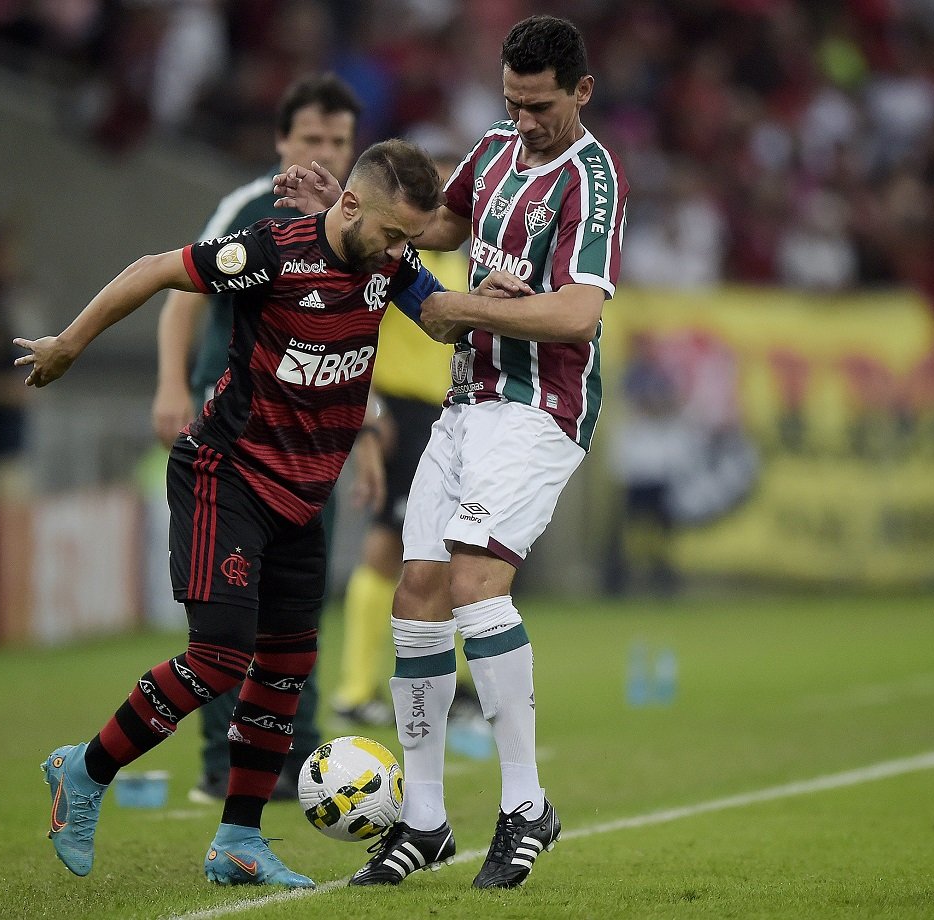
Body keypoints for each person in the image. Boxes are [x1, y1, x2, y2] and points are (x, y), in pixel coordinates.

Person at [17, 139, 528, 887]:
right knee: (220, 658)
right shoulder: (271, 253)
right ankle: (84, 771)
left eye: (407, 242)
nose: (396, 252)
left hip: (303, 498)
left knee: (286, 669)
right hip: (227, 477)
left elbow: (443, 320)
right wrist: (70, 343)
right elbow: (157, 271)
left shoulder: (388, 263)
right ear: (350, 205)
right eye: (391, 235)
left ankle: (238, 840)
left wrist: (499, 297)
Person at [275, 15, 629, 889]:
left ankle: (525, 806)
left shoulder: (592, 180)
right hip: (467, 402)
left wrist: (469, 308)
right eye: (512, 101)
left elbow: (580, 313)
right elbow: (437, 226)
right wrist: (351, 214)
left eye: (539, 105)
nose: (524, 119)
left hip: (539, 406)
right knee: (418, 591)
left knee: (476, 583)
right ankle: (426, 821)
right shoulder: (497, 147)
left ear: (581, 92)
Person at [152, 73, 361, 804]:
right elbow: (181, 290)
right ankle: (220, 761)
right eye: (312, 138)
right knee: (227, 618)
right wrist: (170, 384)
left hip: (311, 452)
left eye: (338, 140)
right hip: (236, 441)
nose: (325, 151)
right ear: (282, 141)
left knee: (298, 609)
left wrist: (376, 428)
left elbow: (354, 333)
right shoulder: (246, 208)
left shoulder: (352, 224)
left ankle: (296, 758)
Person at [331, 151, 481, 726]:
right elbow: (357, 326)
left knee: (446, 544)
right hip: (396, 408)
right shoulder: (392, 257)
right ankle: (355, 688)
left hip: (447, 411)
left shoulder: (464, 261)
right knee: (387, 544)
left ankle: (446, 679)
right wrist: (369, 409)